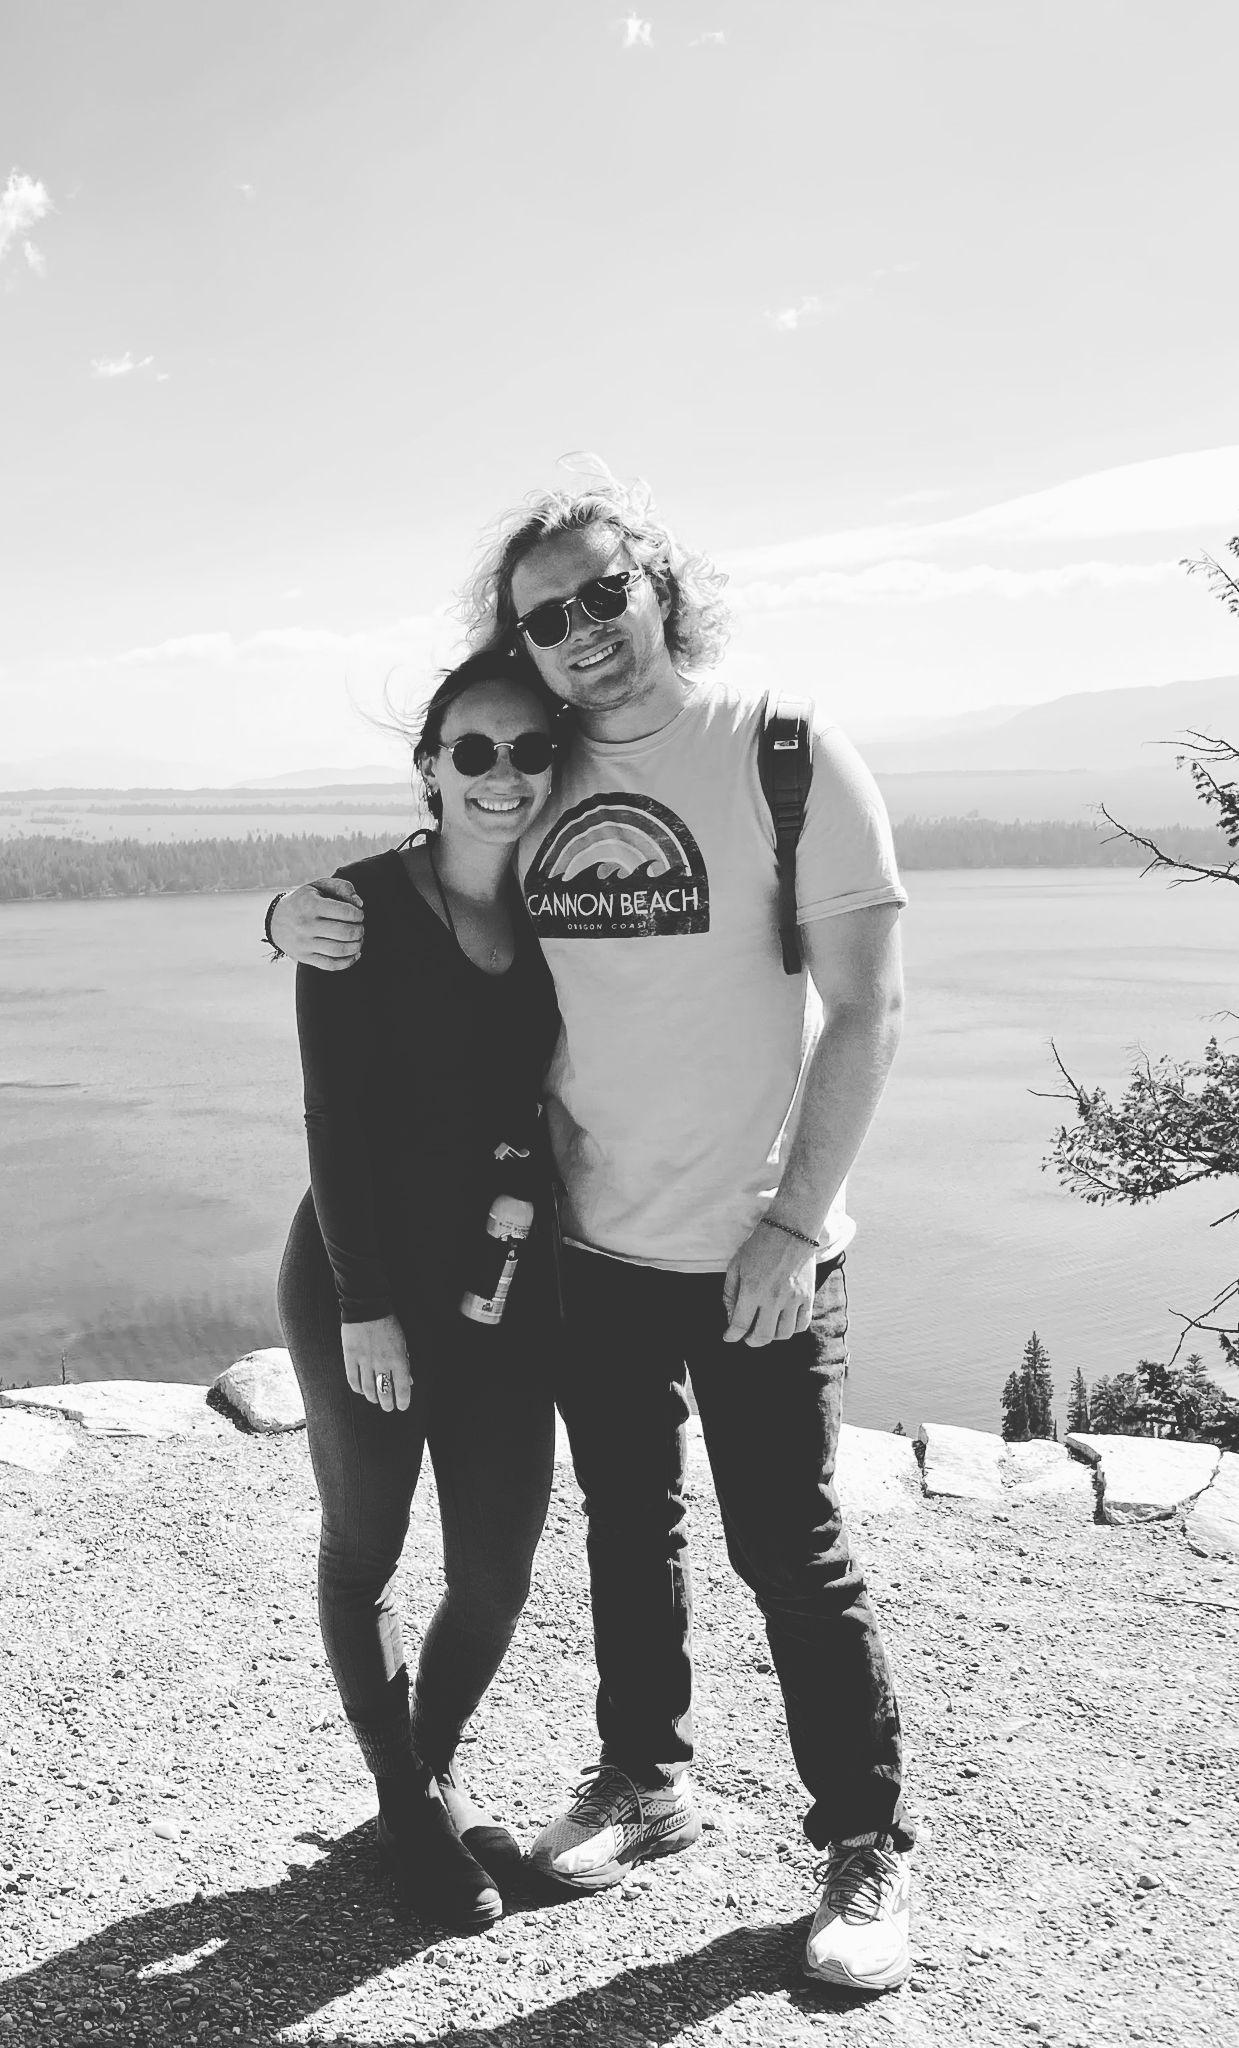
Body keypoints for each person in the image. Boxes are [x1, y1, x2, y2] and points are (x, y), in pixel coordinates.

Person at [268, 457, 915, 1993]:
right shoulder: (544, 770)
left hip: (755, 1249)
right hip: (587, 1249)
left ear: (657, 590)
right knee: (628, 1525)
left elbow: (866, 1006)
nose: (578, 630)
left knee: (789, 1552)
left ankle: (863, 1846)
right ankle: (643, 1779)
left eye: (601, 594)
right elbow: (421, 891)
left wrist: (794, 1223)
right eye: (543, 616)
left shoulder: (781, 753)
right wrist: (286, 917)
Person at [279, 647, 566, 1932]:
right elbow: (330, 1120)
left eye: (529, 750)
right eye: (473, 750)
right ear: (430, 767)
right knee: (367, 1549)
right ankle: (407, 1801)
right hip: (365, 1280)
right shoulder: (353, 911)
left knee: (496, 1569)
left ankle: (426, 1766)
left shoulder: (567, 909)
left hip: (504, 1283)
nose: (502, 775)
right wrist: (362, 1303)